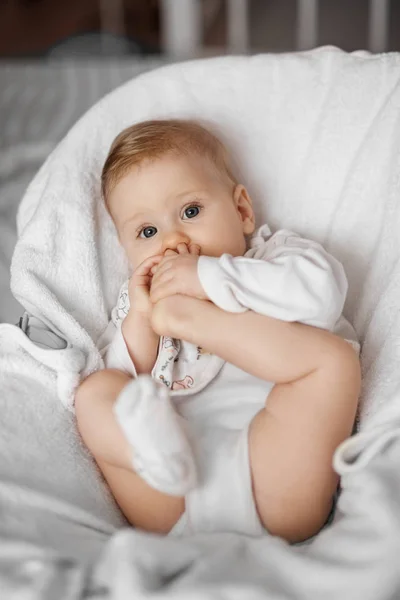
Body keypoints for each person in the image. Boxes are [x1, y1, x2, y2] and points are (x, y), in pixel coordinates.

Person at [74, 119, 361, 544]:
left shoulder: (275, 259)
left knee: (334, 361)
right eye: (147, 232)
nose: (172, 240)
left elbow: (321, 296)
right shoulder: (141, 302)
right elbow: (128, 382)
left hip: (276, 475)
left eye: (191, 212)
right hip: (169, 494)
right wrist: (142, 321)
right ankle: (147, 451)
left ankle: (192, 324)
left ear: (242, 210)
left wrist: (207, 279)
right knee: (95, 390)